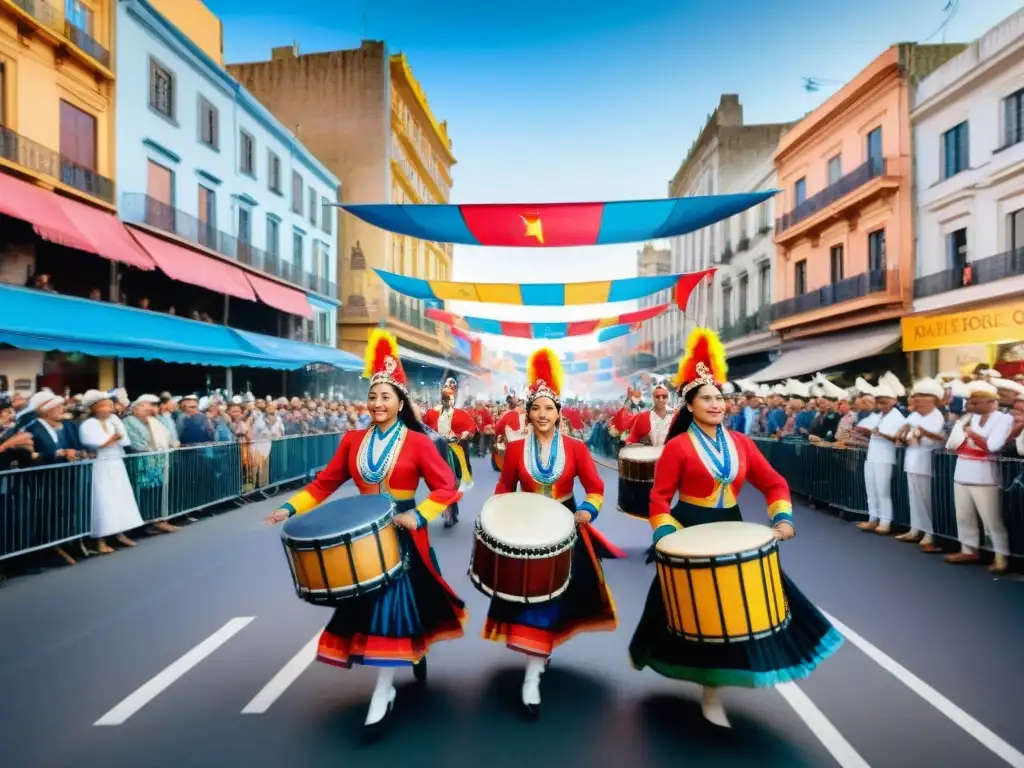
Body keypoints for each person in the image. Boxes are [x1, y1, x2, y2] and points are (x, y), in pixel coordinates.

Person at [628, 327, 843, 728]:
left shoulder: (742, 443)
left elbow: (774, 482)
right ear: (689, 406)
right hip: (688, 530)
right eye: (706, 398)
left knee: (749, 601)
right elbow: (659, 498)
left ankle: (715, 689)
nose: (716, 404)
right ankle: (705, 687)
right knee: (690, 610)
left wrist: (782, 518)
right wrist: (666, 534)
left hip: (732, 527)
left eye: (720, 397)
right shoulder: (676, 447)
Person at [265, 330, 466, 734]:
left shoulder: (419, 442)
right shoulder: (353, 440)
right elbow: (325, 483)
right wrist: (288, 508)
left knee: (396, 605)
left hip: (404, 534)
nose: (377, 403)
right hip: (362, 539)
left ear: (400, 402)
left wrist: (420, 515)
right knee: (371, 607)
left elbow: (448, 486)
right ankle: (401, 662)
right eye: (372, 396)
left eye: (385, 397)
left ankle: (383, 690)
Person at [487, 347, 623, 719]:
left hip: (565, 523)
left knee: (556, 598)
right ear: (528, 413)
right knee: (530, 596)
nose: (543, 415)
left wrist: (586, 510)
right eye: (536, 409)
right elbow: (503, 489)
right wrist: (496, 515)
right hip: (527, 525)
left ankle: (535, 664)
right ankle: (534, 667)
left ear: (559, 413)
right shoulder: (515, 450)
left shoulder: (577, 449)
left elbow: (595, 489)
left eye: (549, 408)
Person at [422, 377, 476, 527]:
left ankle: (450, 510)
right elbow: (423, 429)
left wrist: (465, 434)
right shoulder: (431, 413)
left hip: (454, 451)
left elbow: (471, 430)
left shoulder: (461, 414)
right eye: (444, 396)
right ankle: (448, 509)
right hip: (436, 452)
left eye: (449, 396)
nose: (446, 399)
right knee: (438, 482)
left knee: (453, 482)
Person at [626, 376, 674, 447]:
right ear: (653, 398)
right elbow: (632, 441)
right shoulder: (643, 417)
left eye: (664, 396)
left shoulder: (676, 416)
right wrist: (643, 443)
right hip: (650, 456)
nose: (661, 399)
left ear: (668, 398)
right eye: (657, 396)